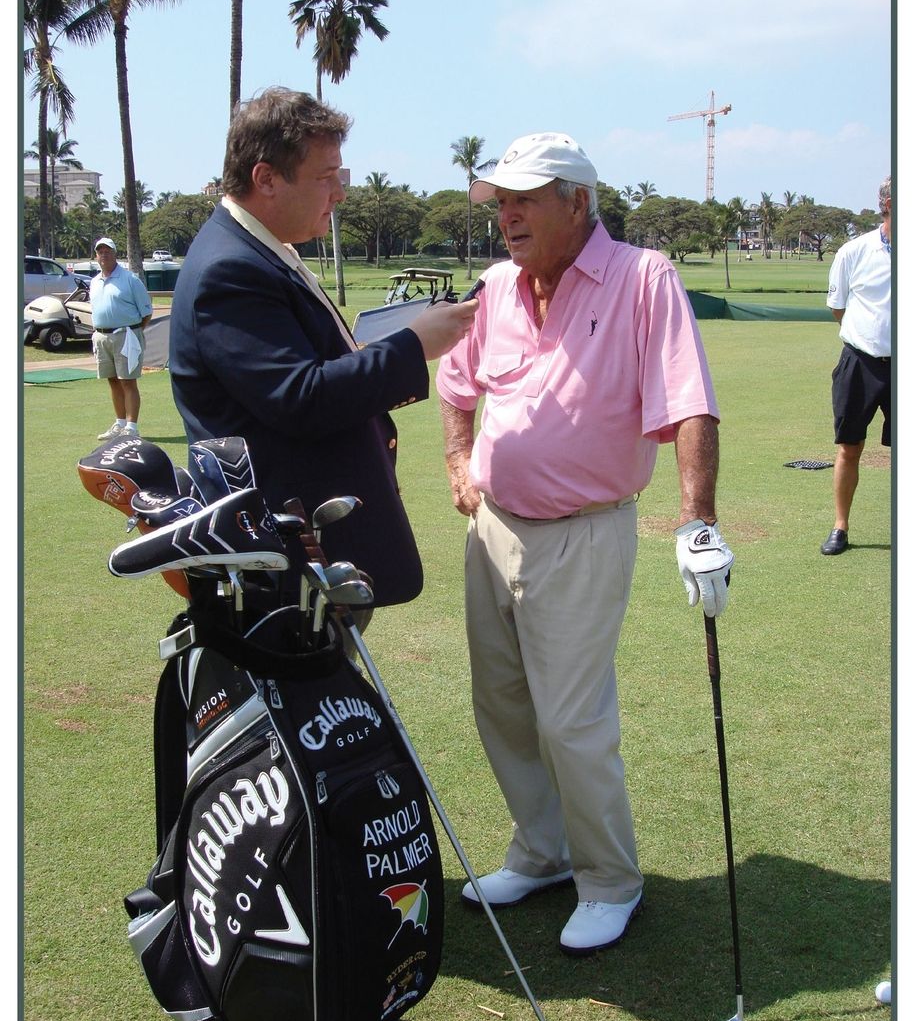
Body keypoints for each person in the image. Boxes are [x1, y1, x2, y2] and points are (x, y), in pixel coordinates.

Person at [436, 132, 733, 955]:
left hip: (584, 530)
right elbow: (456, 384)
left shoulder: (644, 277)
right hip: (492, 527)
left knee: (570, 720)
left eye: (523, 198)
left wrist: (696, 520)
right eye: (499, 202)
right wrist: (459, 460)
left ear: (577, 202)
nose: (507, 216)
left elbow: (689, 404)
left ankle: (609, 880)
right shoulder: (496, 286)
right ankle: (542, 850)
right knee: (499, 703)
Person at [169, 87, 478, 605]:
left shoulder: (257, 250)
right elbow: (301, 398)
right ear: (266, 178)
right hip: (286, 558)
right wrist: (413, 344)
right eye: (325, 177)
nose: (339, 193)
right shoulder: (231, 268)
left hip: (302, 545)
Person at [820, 176, 892, 555]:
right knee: (850, 446)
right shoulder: (854, 252)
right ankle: (840, 527)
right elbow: (838, 307)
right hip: (860, 362)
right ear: (889, 205)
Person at [91, 237, 153, 441]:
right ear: (96, 255)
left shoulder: (130, 279)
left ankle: (131, 427)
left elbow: (146, 312)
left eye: (107, 250)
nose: (104, 254)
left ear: (115, 253)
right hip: (102, 336)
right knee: (113, 381)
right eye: (100, 251)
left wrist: (133, 332)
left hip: (126, 335)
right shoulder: (94, 281)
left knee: (128, 381)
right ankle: (119, 424)